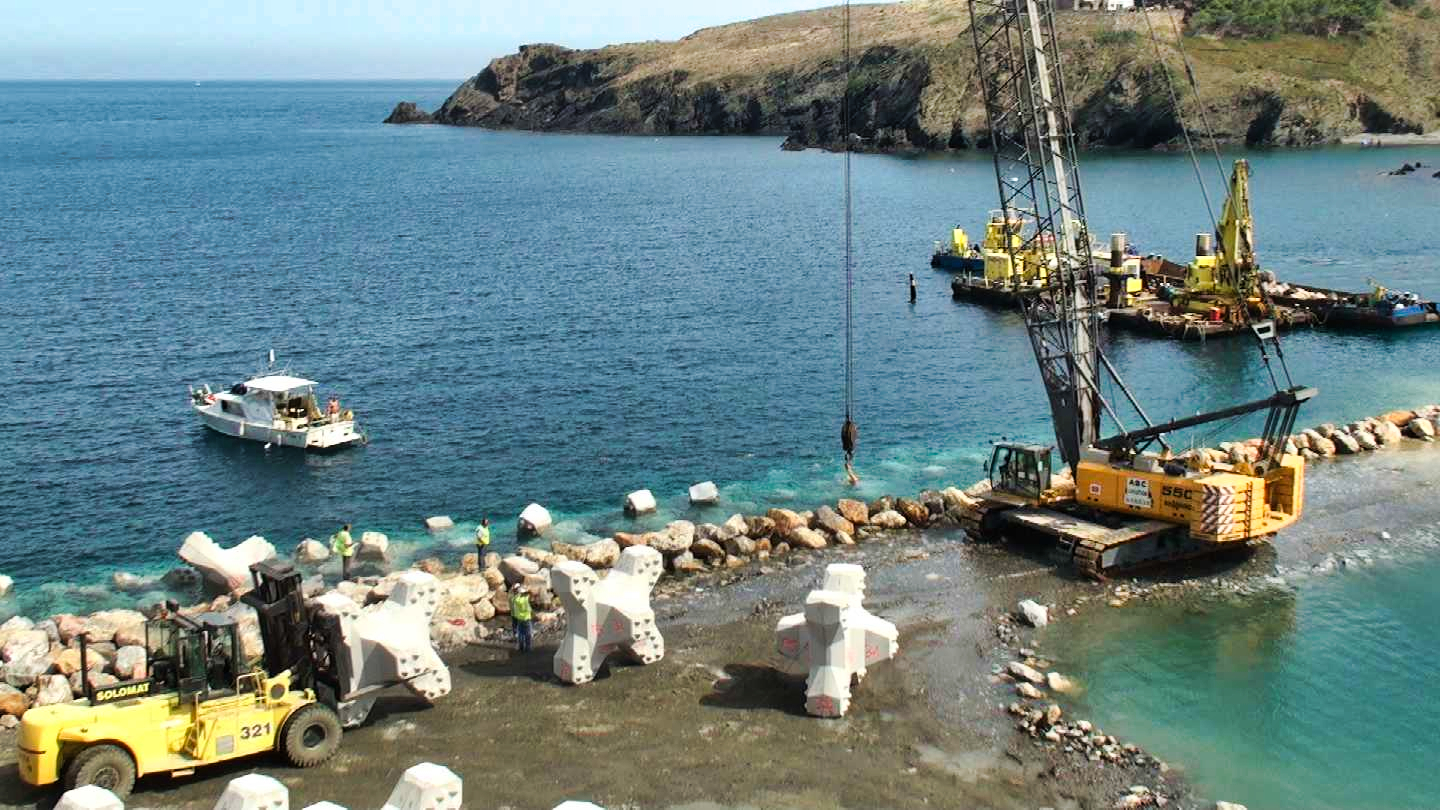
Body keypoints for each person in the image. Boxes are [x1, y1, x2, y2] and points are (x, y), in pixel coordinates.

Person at [509, 584, 533, 653]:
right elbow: (530, 594)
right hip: (526, 619)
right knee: (528, 634)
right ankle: (528, 648)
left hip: (519, 619)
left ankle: (521, 647)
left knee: (521, 634)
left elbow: (515, 594)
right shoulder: (525, 600)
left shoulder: (515, 599)